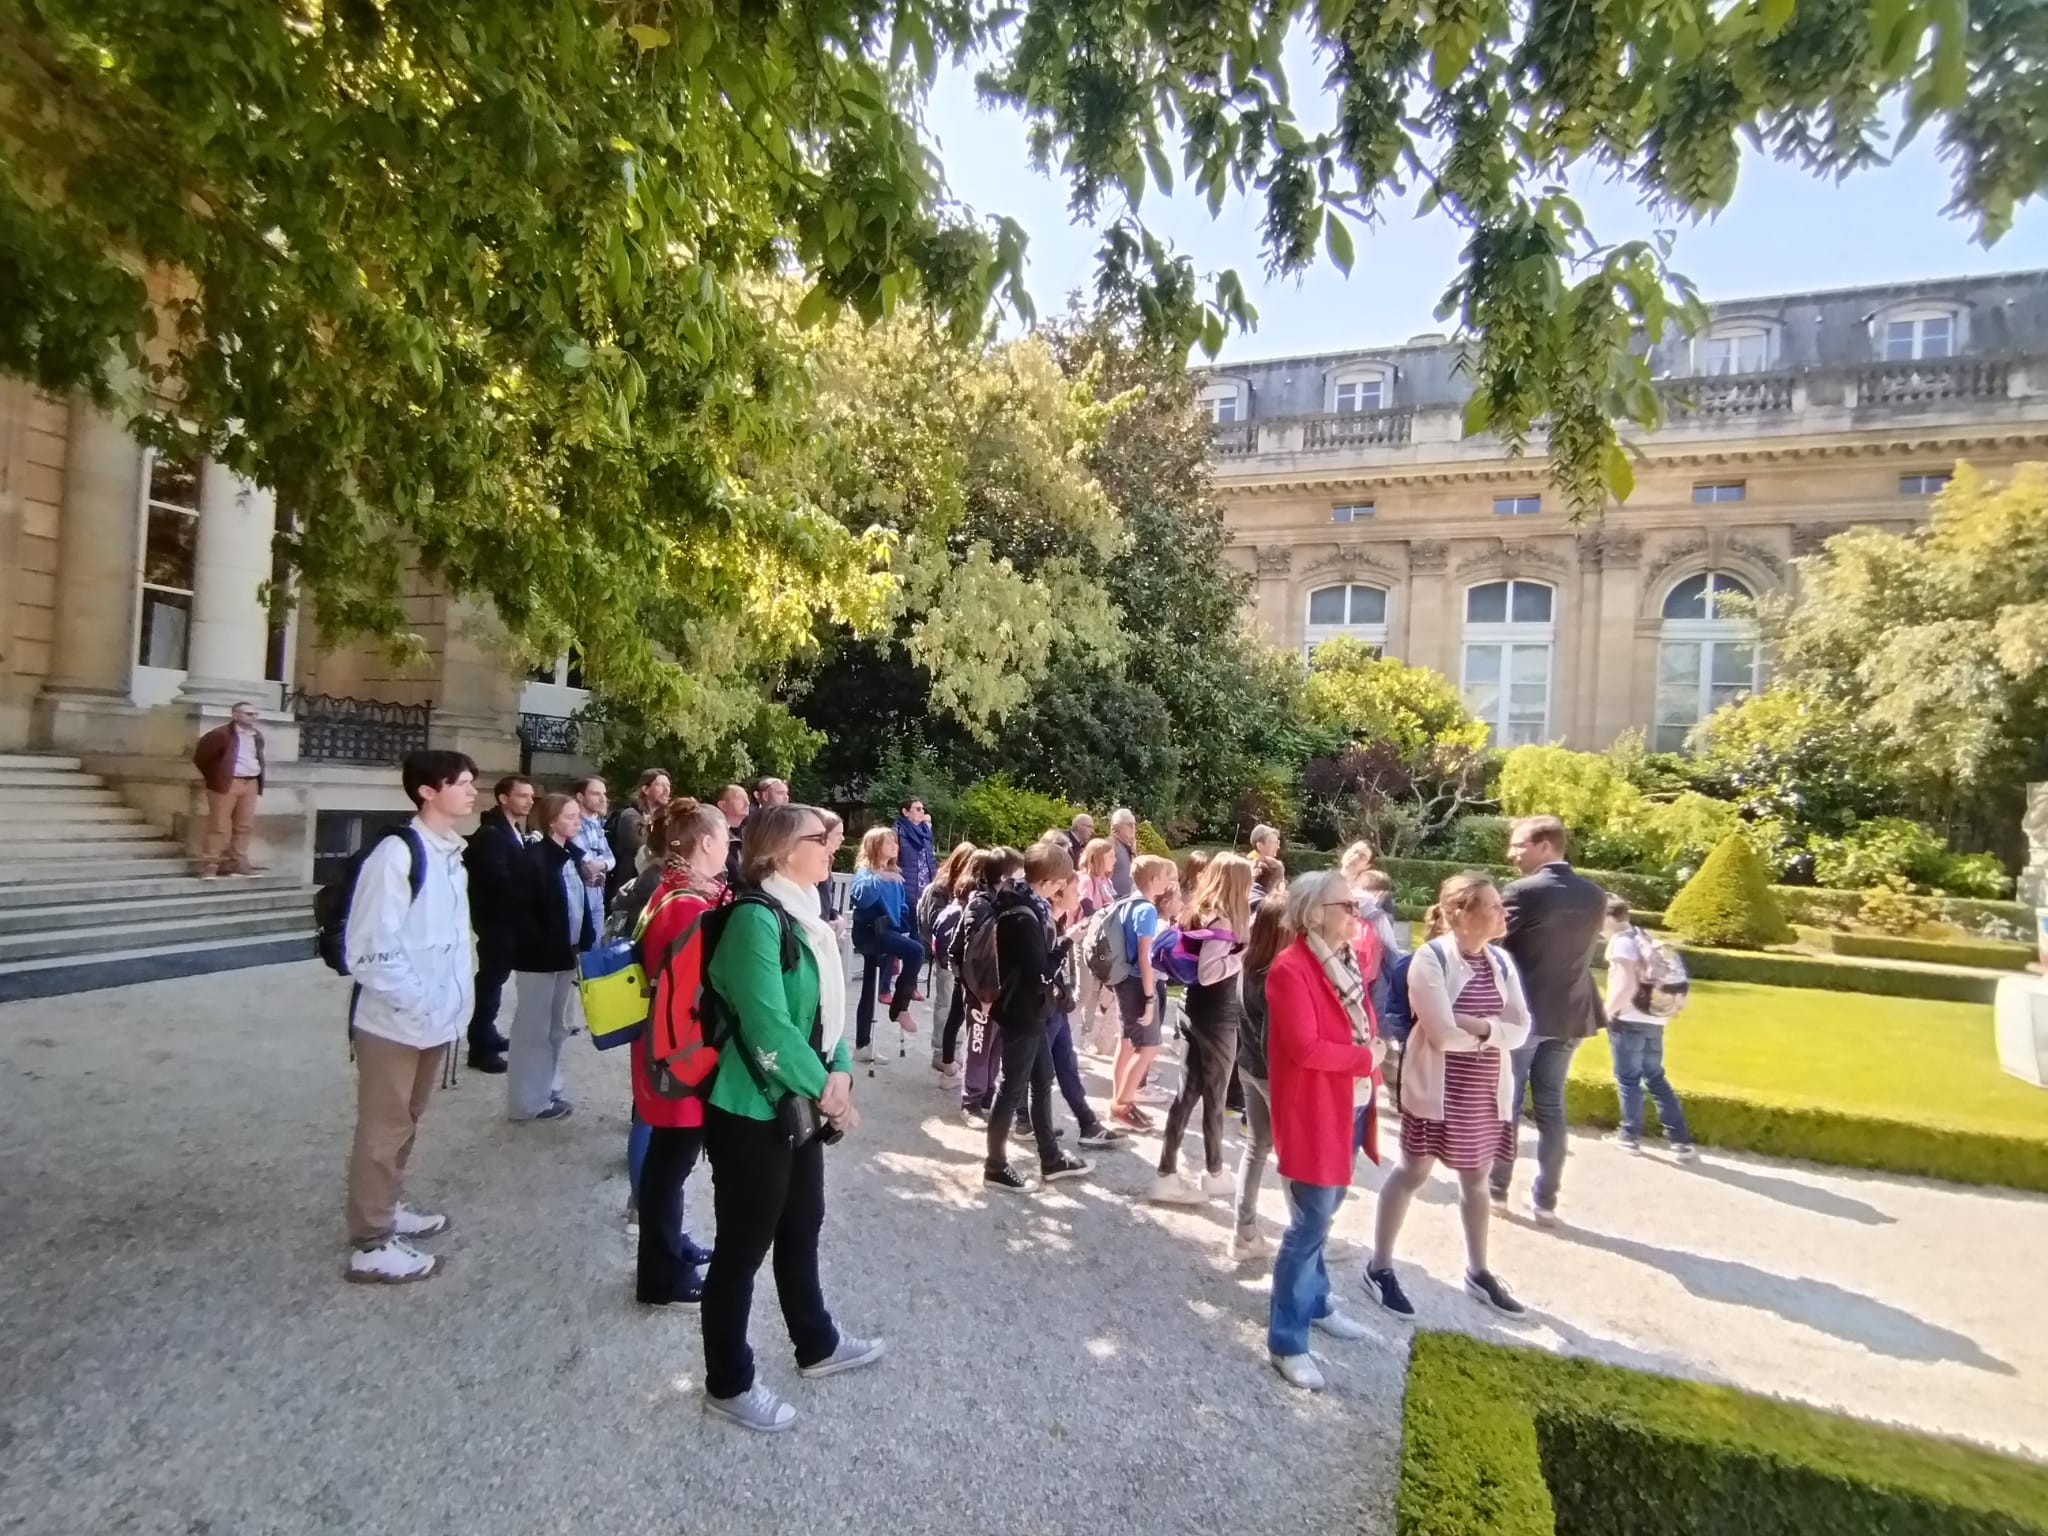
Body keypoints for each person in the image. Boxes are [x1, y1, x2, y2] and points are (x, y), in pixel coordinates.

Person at [700, 804, 882, 1433]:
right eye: (818, 839)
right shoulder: (754, 919)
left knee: (802, 1222)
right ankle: (728, 1381)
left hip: (796, 1102)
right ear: (778, 852)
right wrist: (831, 1091)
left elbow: (828, 1014)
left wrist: (840, 1072)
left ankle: (817, 1343)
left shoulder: (807, 919)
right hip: (749, 1107)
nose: (832, 846)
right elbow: (768, 1025)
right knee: (741, 1250)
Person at [1365, 872, 1532, 1320]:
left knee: (1475, 1179)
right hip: (1439, 1087)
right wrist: (1492, 1032)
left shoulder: (1499, 962)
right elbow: (1440, 1034)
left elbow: (1521, 1030)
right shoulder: (1431, 959)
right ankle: (1379, 1264)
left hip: (1483, 1089)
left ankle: (1478, 1270)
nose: (1503, 913)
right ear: (1462, 913)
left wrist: (1477, 1027)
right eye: (1494, 906)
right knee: (1413, 1170)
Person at [341, 750, 479, 1284]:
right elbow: (370, 946)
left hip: (431, 1020)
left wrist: (449, 1008)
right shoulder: (397, 855)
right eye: (462, 783)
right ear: (428, 790)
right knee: (383, 1127)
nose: (472, 792)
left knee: (406, 1122)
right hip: (395, 1022)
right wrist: (420, 1001)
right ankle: (370, 1241)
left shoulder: (448, 854)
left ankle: (386, 1209)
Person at [1261, 871, 1384, 1390]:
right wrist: (1365, 1058)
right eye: (1347, 906)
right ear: (1314, 912)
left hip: (1348, 1106)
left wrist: (1367, 1061)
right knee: (1310, 1222)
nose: (1356, 914)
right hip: (1316, 1111)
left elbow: (1360, 1024)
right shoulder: (1290, 969)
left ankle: (1314, 1303)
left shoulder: (1343, 961)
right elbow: (1306, 1049)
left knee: (1324, 1215)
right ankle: (1287, 1340)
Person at [632, 799, 730, 1306]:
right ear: (707, 843)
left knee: (668, 1163)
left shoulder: (670, 889)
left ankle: (669, 1247)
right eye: (726, 839)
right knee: (671, 1164)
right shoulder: (690, 903)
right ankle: (659, 1274)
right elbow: (696, 991)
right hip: (681, 1052)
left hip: (666, 1046)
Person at [1489, 815, 1607, 1226]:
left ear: (1544, 846)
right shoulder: (1594, 895)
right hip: (1572, 1012)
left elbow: (1492, 940)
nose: (1512, 853)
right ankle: (1545, 1200)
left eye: (1519, 844)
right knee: (1552, 1107)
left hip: (1526, 1012)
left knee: (1509, 1101)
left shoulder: (1525, 891)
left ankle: (1497, 1191)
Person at [982, 841, 1094, 1190]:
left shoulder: (1022, 903)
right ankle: (995, 1166)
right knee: (1011, 1089)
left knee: (1042, 1079)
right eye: (1061, 881)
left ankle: (1050, 1157)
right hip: (1022, 1012)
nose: (1063, 887)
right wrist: (1067, 942)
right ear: (1048, 881)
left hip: (1029, 1010)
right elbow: (1039, 974)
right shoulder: (1024, 916)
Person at [1150, 853, 1253, 1205]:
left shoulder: (1200, 910)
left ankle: (1167, 1173)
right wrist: (1241, 954)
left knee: (1187, 1093)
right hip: (1217, 1017)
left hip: (1192, 1010)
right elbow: (1210, 972)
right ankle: (1214, 1173)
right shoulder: (1224, 920)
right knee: (1215, 1096)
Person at [507, 792, 591, 1122]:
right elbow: (522, 912)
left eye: (577, 816)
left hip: (563, 954)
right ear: (552, 819)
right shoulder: (534, 858)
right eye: (570, 816)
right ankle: (526, 1101)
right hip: (539, 957)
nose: (576, 822)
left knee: (557, 1027)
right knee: (532, 1030)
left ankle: (548, 1087)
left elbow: (575, 906)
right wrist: (542, 945)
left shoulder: (568, 856)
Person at [1602, 897, 1698, 1161]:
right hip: (1655, 1017)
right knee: (1655, 1077)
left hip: (1630, 1018)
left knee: (1628, 1078)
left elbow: (1625, 986)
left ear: (1608, 917)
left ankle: (1629, 1136)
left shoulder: (1620, 942)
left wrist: (1606, 1014)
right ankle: (1681, 1141)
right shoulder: (1641, 935)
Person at [463, 773, 535, 1074]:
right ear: (504, 798)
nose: (530, 801)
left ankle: (487, 1033)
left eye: (531, 796)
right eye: (522, 795)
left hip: (507, 919)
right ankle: (479, 1046)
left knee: (496, 979)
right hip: (495, 920)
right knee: (491, 981)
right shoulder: (492, 834)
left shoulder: (511, 830)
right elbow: (498, 880)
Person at [1231, 892, 1288, 1261]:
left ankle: (1244, 1231)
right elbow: (1275, 1042)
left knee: (1257, 1148)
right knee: (1291, 1156)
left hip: (1248, 1066)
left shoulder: (1249, 964)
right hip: (1268, 1074)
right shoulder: (1276, 976)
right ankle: (1308, 1229)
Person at [1107, 853, 1178, 1129]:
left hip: (1124, 980)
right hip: (1138, 983)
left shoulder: (1128, 903)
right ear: (1153, 879)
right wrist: (1150, 998)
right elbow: (1145, 956)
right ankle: (1121, 1105)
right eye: (1163, 877)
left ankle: (1121, 1101)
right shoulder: (1147, 910)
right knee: (1149, 1047)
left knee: (1127, 1042)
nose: (1167, 882)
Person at [849, 825, 922, 1062]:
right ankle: (899, 1008)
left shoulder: (895, 875)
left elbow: (900, 909)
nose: (895, 846)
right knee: (916, 952)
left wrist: (905, 930)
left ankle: (863, 1044)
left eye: (895, 842)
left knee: (874, 985)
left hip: (888, 932)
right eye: (889, 842)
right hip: (872, 933)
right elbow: (861, 899)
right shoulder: (867, 873)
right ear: (876, 847)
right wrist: (880, 878)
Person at [952, 848, 1015, 1125]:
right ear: (1003, 876)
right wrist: (986, 993)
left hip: (1002, 991)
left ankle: (988, 1095)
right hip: (983, 992)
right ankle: (971, 1102)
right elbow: (979, 955)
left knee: (996, 1045)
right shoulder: (981, 905)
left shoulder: (1003, 903)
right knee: (979, 1044)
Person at [191, 700, 268, 878]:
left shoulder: (257, 736)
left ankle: (239, 864)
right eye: (248, 714)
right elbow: (201, 758)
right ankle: (210, 865)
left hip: (250, 782)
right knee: (219, 825)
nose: (253, 717)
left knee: (244, 825)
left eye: (254, 714)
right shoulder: (220, 734)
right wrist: (216, 777)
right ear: (235, 715)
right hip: (227, 782)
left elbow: (257, 757)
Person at [920, 842, 977, 1073]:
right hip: (946, 954)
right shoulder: (939, 889)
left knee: (958, 1006)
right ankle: (940, 1052)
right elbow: (934, 924)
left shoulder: (968, 888)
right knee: (945, 1002)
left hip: (962, 955)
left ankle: (954, 1050)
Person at [1074, 837, 1121, 1056]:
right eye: (1110, 855)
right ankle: (1073, 1034)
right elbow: (1086, 905)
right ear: (1098, 857)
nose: (1115, 859)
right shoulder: (1086, 879)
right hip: (1088, 940)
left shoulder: (1107, 881)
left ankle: (1086, 1035)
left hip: (1103, 944)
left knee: (1095, 991)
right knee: (1084, 991)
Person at [931, 868, 976, 1078]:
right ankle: (944, 1057)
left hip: (951, 968)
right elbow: (948, 943)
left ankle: (950, 1055)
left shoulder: (953, 910)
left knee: (952, 1014)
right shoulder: (957, 913)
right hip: (951, 970)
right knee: (949, 1012)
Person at [606, 768, 671, 894]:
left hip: (653, 884)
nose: (666, 789)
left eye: (668, 785)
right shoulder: (630, 815)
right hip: (630, 886)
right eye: (660, 785)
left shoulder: (665, 819)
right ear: (645, 789)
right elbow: (644, 847)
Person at [568, 776, 615, 944]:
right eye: (596, 794)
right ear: (580, 797)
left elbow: (611, 859)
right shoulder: (573, 823)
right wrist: (601, 863)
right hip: (580, 891)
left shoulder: (597, 824)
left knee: (594, 949)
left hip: (598, 891)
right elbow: (587, 860)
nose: (603, 799)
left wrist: (601, 863)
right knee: (578, 948)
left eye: (604, 794)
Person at [717, 783, 750, 886]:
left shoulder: (747, 833)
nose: (747, 803)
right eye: (740, 798)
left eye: (747, 798)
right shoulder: (714, 835)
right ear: (723, 805)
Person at [1108, 807, 1137, 896]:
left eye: (1134, 824)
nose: (1133, 828)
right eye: (1129, 824)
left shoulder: (1127, 845)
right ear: (1116, 827)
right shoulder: (1110, 845)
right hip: (1115, 903)